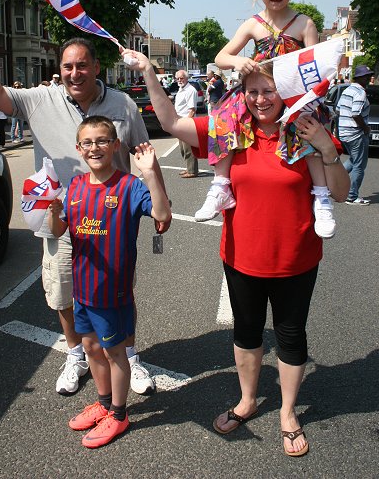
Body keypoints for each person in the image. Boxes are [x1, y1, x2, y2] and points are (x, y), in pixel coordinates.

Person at [123, 48, 350, 457]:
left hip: (297, 259)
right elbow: (172, 122)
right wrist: (149, 73)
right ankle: (247, 400)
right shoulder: (231, 129)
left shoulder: (306, 128)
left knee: (291, 336)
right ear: (242, 94)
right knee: (246, 334)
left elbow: (339, 192)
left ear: (285, 93)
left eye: (270, 91)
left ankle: (287, 412)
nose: (261, 99)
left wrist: (326, 149)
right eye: (253, 91)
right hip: (241, 256)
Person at [0, 13, 170, 397]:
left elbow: (144, 155)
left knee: (120, 294)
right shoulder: (40, 99)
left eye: (82, 65)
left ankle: (130, 356)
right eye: (67, 66)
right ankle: (76, 354)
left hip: (112, 221)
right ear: (61, 69)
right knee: (62, 293)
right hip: (61, 218)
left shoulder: (122, 104)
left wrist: (157, 204)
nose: (74, 73)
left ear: (96, 67)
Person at [194, 0, 336, 240]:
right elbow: (222, 56)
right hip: (260, 89)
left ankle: (321, 198)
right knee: (223, 113)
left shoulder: (304, 23)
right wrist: (237, 63)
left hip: (294, 94)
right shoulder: (252, 24)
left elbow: (318, 65)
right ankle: (221, 186)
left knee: (309, 126)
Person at [48, 116, 171, 448]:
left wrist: (150, 174)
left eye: (102, 141)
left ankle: (118, 414)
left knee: (115, 353)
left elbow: (162, 216)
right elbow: (61, 230)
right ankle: (103, 404)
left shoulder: (129, 186)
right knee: (89, 347)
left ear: (116, 146)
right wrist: (52, 212)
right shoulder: (74, 187)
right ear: (79, 149)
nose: (95, 148)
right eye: (88, 143)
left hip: (113, 294)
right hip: (83, 291)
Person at [336, 64, 374, 205]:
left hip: (345, 132)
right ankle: (352, 196)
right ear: (359, 78)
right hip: (356, 133)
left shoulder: (348, 90)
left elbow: (338, 109)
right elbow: (356, 113)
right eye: (366, 76)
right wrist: (365, 128)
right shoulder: (360, 93)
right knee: (359, 165)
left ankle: (333, 181)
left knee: (353, 160)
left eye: (369, 75)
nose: (369, 78)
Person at [174, 70, 198, 178]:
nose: (179, 80)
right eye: (178, 78)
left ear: (186, 78)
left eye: (181, 78)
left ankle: (192, 171)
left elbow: (192, 110)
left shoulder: (190, 90)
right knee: (183, 149)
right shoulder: (181, 89)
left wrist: (187, 124)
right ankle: (188, 168)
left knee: (188, 148)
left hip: (186, 123)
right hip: (179, 122)